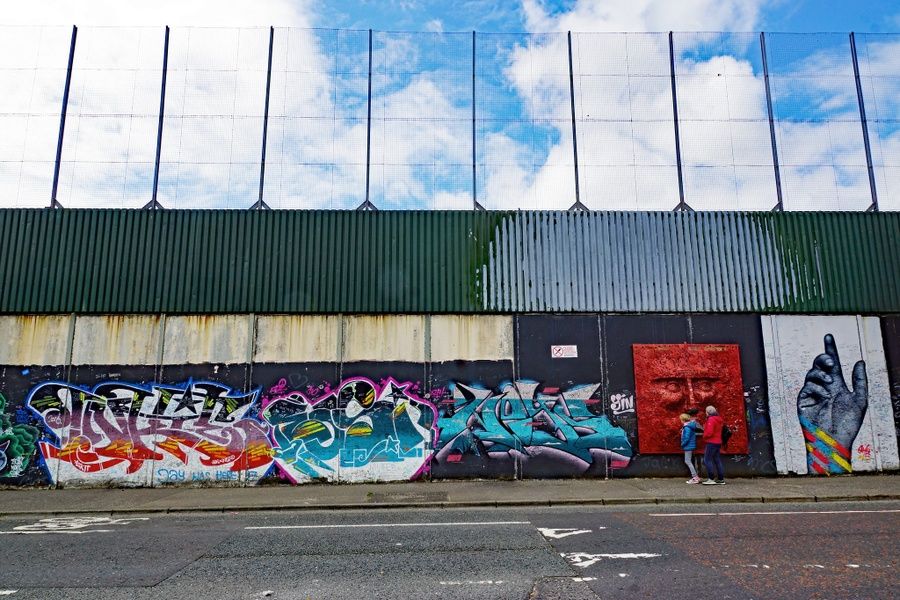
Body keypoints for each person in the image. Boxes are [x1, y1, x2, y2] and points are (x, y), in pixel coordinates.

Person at [701, 405, 725, 485]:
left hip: (712, 442)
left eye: (706, 411)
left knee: (707, 459)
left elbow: (709, 432)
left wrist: (704, 435)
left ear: (708, 412)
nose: (705, 413)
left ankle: (711, 478)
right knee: (717, 460)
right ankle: (721, 479)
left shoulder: (711, 419)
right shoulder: (719, 419)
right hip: (718, 442)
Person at [679, 413, 703, 483]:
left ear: (683, 420)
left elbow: (686, 437)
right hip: (690, 445)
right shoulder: (689, 426)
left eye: (681, 420)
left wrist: (682, 444)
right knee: (688, 461)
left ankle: (695, 477)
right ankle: (695, 477)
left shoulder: (687, 427)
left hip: (688, 446)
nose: (680, 421)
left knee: (687, 461)